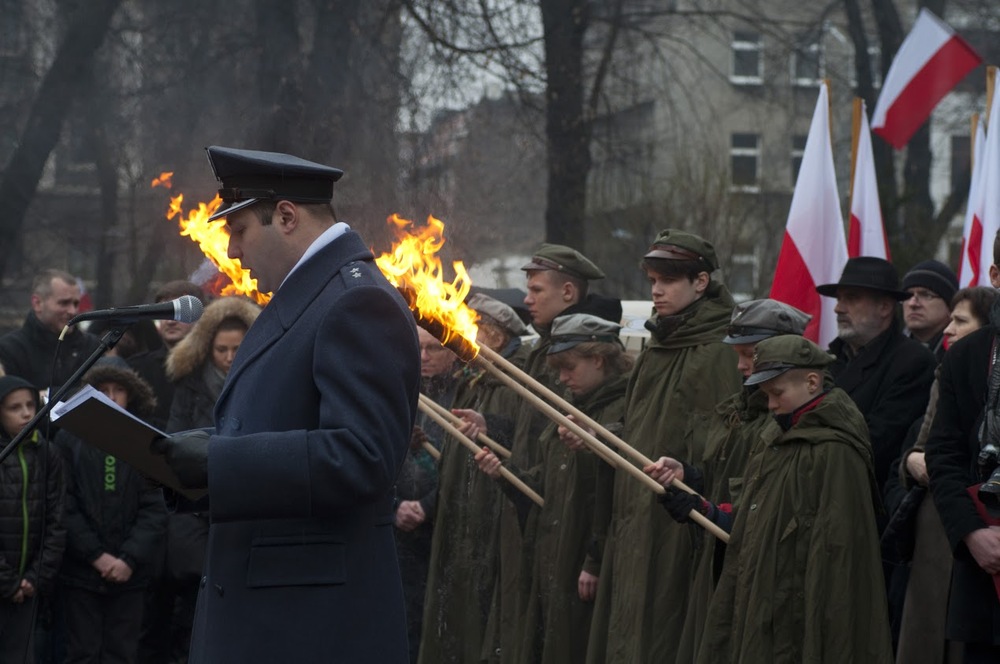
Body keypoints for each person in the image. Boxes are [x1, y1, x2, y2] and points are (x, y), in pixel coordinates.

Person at [152, 146, 421, 663]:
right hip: (277, 611)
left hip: (308, 624)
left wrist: (220, 460)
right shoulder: (312, 297)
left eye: (239, 231)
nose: (231, 252)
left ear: (286, 217)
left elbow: (363, 456)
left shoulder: (353, 301)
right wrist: (202, 459)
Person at [653, 335, 892, 662]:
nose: (770, 405)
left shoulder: (835, 451)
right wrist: (702, 506)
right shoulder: (778, 437)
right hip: (763, 603)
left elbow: (837, 562)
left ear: (811, 382)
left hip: (794, 615)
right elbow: (755, 519)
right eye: (766, 395)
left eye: (777, 393)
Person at [586, 229, 741, 664]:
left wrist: (691, 477)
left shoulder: (719, 351)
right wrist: (604, 432)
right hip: (635, 509)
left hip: (682, 519)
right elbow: (643, 422)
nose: (656, 290)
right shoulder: (658, 346)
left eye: (668, 280)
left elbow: (725, 444)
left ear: (701, 282)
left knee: (668, 632)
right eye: (653, 280)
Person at [456, 243, 614, 663]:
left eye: (537, 289)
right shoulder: (545, 350)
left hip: (566, 518)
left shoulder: (572, 350)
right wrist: (495, 428)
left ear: (568, 293)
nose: (527, 299)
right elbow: (535, 431)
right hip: (533, 507)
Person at [660, 298, 811, 663]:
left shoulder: (793, 421)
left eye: (751, 355)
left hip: (764, 575)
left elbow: (778, 504)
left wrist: (713, 512)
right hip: (723, 560)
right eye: (739, 356)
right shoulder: (737, 409)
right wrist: (690, 476)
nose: (742, 367)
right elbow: (727, 476)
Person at [476, 313, 632, 663]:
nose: (562, 378)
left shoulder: (625, 410)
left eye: (569, 367)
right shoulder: (568, 409)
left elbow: (612, 496)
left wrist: (593, 560)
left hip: (589, 562)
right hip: (553, 557)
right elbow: (542, 484)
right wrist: (503, 474)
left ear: (598, 359)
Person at [144, 295, 259, 664]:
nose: (228, 356)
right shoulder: (190, 384)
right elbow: (176, 436)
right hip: (194, 506)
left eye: (236, 349)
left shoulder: (259, 383)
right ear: (209, 348)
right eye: (221, 349)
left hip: (242, 502)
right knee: (193, 606)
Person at [887, 286, 998, 664]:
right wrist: (972, 532)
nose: (949, 330)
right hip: (971, 549)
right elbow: (942, 450)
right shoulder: (962, 362)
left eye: (960, 320)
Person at [418, 293, 529, 664]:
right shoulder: (476, 379)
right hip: (464, 519)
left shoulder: (515, 380)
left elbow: (524, 446)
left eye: (472, 328)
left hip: (495, 517)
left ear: (495, 336)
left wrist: (492, 431)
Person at [55, 359, 168, 664]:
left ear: (131, 394)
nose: (111, 396)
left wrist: (129, 558)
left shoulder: (145, 442)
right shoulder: (69, 440)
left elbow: (155, 507)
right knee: (83, 651)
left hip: (131, 573)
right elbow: (64, 504)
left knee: (123, 651)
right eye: (103, 390)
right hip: (81, 571)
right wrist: (95, 555)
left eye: (119, 389)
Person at [926, 236, 1000, 662]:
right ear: (995, 276)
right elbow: (945, 454)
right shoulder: (967, 355)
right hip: (986, 566)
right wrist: (971, 533)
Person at [816, 256, 936, 490]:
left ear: (884, 307)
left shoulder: (913, 363)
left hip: (864, 500)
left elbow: (875, 443)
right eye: (839, 298)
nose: (838, 308)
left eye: (851, 298)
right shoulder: (826, 360)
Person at [395, 325, 459, 663]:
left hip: (442, 527)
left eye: (434, 348)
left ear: (452, 351)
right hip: (397, 531)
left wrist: (427, 505)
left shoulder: (464, 394)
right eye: (418, 348)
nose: (424, 357)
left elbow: (464, 468)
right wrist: (395, 506)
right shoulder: (399, 390)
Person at [0, 375, 66, 664]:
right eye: (15, 407)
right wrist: (7, 581)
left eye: (30, 404)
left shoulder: (48, 454)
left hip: (30, 584)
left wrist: (34, 577)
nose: (26, 413)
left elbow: (56, 521)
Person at [0, 270, 100, 391]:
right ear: (37, 303)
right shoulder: (10, 350)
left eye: (76, 303)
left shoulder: (93, 347)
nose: (73, 311)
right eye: (64, 303)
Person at [129, 281, 206, 431]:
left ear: (199, 316)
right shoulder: (137, 369)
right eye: (165, 312)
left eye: (180, 313)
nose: (170, 321)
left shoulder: (212, 367)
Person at [902, 260, 958, 364]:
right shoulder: (887, 353)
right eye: (908, 295)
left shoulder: (959, 354)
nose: (912, 304)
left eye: (926, 295)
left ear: (950, 307)